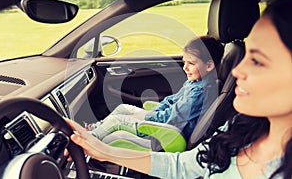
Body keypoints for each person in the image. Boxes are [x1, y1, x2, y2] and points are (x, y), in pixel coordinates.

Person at [65, 0, 292, 179]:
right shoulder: (240, 128)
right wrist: (101, 149)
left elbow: (176, 121)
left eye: (257, 61)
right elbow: (182, 167)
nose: (236, 71)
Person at [87, 35, 224, 141]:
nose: (185, 68)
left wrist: (146, 119)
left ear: (209, 66)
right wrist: (153, 111)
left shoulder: (199, 92)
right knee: (122, 109)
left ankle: (89, 139)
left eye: (191, 63)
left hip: (166, 133)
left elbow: (174, 119)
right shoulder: (195, 83)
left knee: (117, 121)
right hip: (164, 122)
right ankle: (93, 128)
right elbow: (172, 100)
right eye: (184, 62)